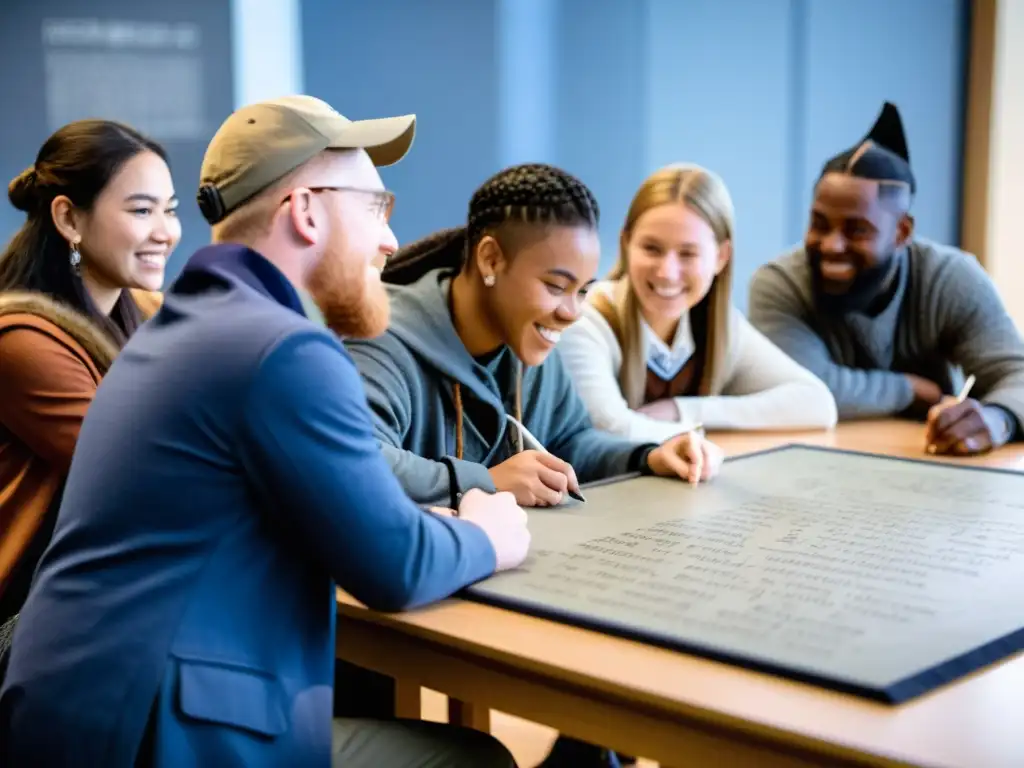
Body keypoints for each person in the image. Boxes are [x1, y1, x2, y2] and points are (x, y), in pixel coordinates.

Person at [0, 95, 527, 768]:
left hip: (87, 714)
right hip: (154, 733)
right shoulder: (282, 349)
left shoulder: (188, 329)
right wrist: (488, 531)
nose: (392, 241)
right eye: (376, 208)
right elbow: (398, 567)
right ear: (305, 211)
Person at [345, 162, 725, 767]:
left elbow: (571, 440)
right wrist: (488, 480)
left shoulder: (528, 343)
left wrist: (647, 453)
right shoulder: (381, 332)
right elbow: (354, 462)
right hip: (377, 636)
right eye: (556, 286)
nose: (573, 311)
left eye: (583, 289)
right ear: (491, 260)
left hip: (478, 600)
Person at [748, 101, 1024, 457]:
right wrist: (911, 390)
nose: (831, 245)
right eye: (819, 223)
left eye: (856, 230)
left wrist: (998, 418)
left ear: (901, 232)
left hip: (928, 463)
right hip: (813, 462)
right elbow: (802, 389)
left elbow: (1015, 373)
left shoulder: (951, 279)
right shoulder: (780, 284)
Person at [0, 119, 172, 622]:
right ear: (69, 219)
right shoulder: (22, 340)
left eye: (170, 210)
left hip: (110, 599)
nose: (165, 232)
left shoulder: (147, 312)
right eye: (142, 210)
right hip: (31, 627)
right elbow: (142, 472)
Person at [557, 163, 836, 443]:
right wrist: (696, 439)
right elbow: (609, 428)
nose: (667, 271)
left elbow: (817, 404)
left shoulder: (719, 325)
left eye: (688, 254)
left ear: (721, 257)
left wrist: (681, 410)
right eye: (651, 248)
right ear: (626, 244)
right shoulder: (587, 319)